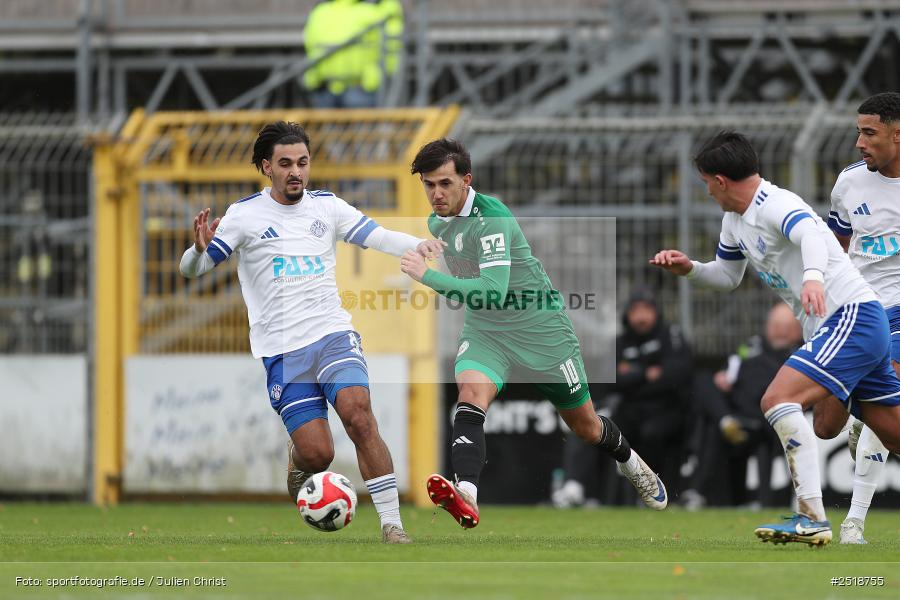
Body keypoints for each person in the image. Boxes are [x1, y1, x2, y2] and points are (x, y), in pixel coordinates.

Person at [178, 121, 444, 544]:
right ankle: (299, 460)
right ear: (267, 167)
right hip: (282, 351)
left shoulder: (327, 207)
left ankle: (393, 525)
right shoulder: (244, 217)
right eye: (285, 164)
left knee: (359, 415)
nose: (295, 171)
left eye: (302, 162)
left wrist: (419, 243)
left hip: (332, 333)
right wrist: (196, 250)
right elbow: (192, 271)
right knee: (319, 453)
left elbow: (376, 235)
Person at [399, 138, 669, 529]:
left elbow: (492, 289)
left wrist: (429, 276)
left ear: (466, 180)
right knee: (470, 394)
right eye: (429, 184)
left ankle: (630, 462)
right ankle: (467, 495)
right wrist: (428, 250)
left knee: (586, 426)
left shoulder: (491, 217)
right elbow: (476, 284)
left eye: (444, 183)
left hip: (542, 330)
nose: (436, 194)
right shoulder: (437, 221)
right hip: (488, 328)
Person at [651, 130, 900, 546]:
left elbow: (808, 234)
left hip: (850, 317)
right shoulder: (735, 221)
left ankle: (811, 516)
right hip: (852, 323)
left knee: (777, 399)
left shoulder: (776, 203)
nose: (707, 191)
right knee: (874, 431)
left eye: (705, 182)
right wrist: (690, 268)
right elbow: (727, 276)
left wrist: (814, 279)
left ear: (719, 180)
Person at [827, 91, 900, 544]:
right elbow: (835, 245)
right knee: (825, 425)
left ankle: (853, 521)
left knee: (892, 379)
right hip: (859, 305)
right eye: (858, 131)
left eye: (869, 133)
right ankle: (861, 413)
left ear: (898, 134)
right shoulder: (849, 184)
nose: (859, 142)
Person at [685, 302, 801, 508]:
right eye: (775, 325)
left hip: (765, 420)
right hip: (735, 412)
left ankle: (724, 420)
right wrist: (724, 376)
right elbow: (733, 365)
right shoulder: (751, 346)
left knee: (749, 401)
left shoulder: (797, 356)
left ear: (797, 330)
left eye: (786, 327)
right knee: (703, 381)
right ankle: (724, 420)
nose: (779, 332)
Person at [303, 0, 384, 109]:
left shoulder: (320, 12)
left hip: (357, 87)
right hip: (326, 88)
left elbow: (309, 44)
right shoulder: (370, 12)